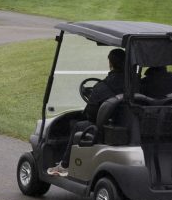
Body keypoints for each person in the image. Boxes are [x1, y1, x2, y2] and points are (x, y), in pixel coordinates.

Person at [47, 48, 126, 177]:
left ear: (111, 64)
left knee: (78, 125)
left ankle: (65, 165)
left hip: (107, 127)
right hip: (124, 123)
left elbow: (90, 113)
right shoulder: (133, 85)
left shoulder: (102, 87)